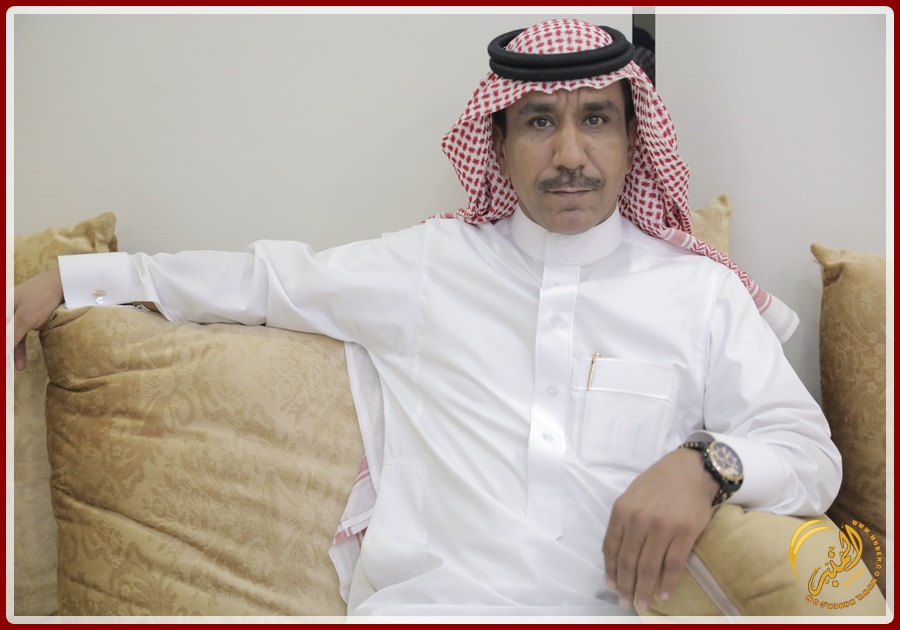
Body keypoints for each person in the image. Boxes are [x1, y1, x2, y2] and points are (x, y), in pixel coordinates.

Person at [14, 18, 840, 617]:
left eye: (596, 119)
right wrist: (76, 278)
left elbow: (809, 456)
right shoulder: (428, 266)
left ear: (633, 138)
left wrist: (707, 465)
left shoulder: (699, 293)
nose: (569, 156)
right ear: (499, 141)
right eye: (539, 122)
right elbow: (266, 280)